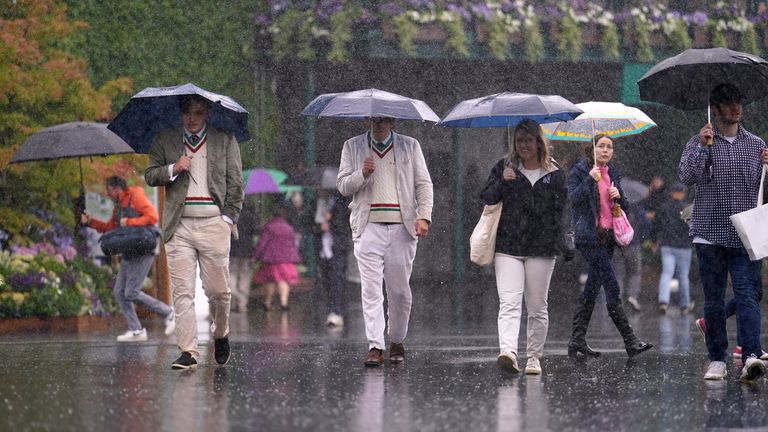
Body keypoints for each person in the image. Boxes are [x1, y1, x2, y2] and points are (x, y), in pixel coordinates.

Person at [145, 94, 244, 370]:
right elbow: (150, 175)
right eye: (188, 112)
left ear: (207, 114)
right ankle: (188, 351)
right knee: (182, 292)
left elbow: (236, 184)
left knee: (219, 292)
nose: (192, 118)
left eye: (198, 113)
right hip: (179, 225)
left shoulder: (224, 139)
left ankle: (221, 331)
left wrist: (227, 219)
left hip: (214, 223)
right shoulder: (165, 139)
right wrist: (172, 169)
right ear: (181, 113)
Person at [678, 83, 768, 382]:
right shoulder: (698, 141)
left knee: (746, 294)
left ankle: (752, 355)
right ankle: (716, 358)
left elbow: (761, 189)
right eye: (728, 103)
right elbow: (688, 176)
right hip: (709, 232)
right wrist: (703, 148)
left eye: (738, 102)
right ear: (714, 109)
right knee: (714, 299)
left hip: (745, 234)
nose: (736, 108)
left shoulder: (757, 145)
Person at [337, 116, 433, 367]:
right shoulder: (353, 146)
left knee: (400, 292)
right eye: (374, 120)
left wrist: (424, 216)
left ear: (392, 122)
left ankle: (397, 338)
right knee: (370, 289)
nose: (378, 125)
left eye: (383, 120)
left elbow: (423, 184)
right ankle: (375, 345)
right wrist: (362, 173)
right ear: (368, 121)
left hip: (402, 226)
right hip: (368, 226)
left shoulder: (410, 145)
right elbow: (343, 186)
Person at [479, 119, 570, 375]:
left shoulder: (554, 173)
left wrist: (564, 240)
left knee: (537, 306)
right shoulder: (504, 167)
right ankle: (508, 351)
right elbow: (486, 197)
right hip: (508, 246)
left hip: (542, 248)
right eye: (519, 140)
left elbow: (562, 210)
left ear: (539, 143)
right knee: (509, 302)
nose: (524, 145)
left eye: (529, 140)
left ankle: (533, 357)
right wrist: (502, 182)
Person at [566, 134, 654, 358]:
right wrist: (589, 180)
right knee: (612, 286)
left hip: (608, 238)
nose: (605, 150)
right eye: (601, 146)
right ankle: (630, 340)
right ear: (592, 149)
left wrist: (619, 196)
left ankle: (577, 339)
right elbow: (572, 199)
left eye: (609, 147)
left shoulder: (612, 172)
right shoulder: (580, 171)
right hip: (589, 237)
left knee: (593, 287)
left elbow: (623, 204)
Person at [81, 176, 175, 341]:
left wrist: (130, 221)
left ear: (117, 188)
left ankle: (169, 312)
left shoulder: (135, 196)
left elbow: (152, 217)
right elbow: (111, 228)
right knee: (119, 292)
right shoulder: (118, 207)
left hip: (143, 250)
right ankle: (136, 330)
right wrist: (90, 222)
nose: (107, 194)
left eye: (109, 190)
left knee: (131, 292)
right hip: (130, 252)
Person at [653, 182, 694, 314]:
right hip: (683, 246)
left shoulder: (663, 207)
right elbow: (692, 228)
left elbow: (655, 226)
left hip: (667, 245)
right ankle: (685, 304)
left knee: (666, 273)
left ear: (671, 192)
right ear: (682, 193)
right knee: (683, 276)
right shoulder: (687, 209)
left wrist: (655, 241)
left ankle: (663, 302)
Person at [253, 203, 301, 310]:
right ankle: (284, 302)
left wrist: (256, 256)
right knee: (283, 280)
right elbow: (292, 243)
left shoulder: (269, 227)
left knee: (270, 280)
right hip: (286, 259)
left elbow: (262, 243)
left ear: (272, 215)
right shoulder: (289, 228)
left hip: (271, 259)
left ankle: (267, 302)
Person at [314, 190, 352, 327]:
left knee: (336, 279)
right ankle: (332, 310)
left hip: (337, 249)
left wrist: (331, 222)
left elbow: (346, 225)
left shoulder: (341, 203)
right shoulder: (316, 203)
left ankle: (336, 312)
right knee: (326, 281)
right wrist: (320, 227)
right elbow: (309, 223)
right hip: (323, 251)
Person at [228, 201, 259, 313]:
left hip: (232, 251)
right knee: (245, 278)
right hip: (247, 252)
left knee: (231, 276)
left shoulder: (230, 215)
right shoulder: (251, 216)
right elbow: (256, 231)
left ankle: (234, 298)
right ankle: (242, 304)